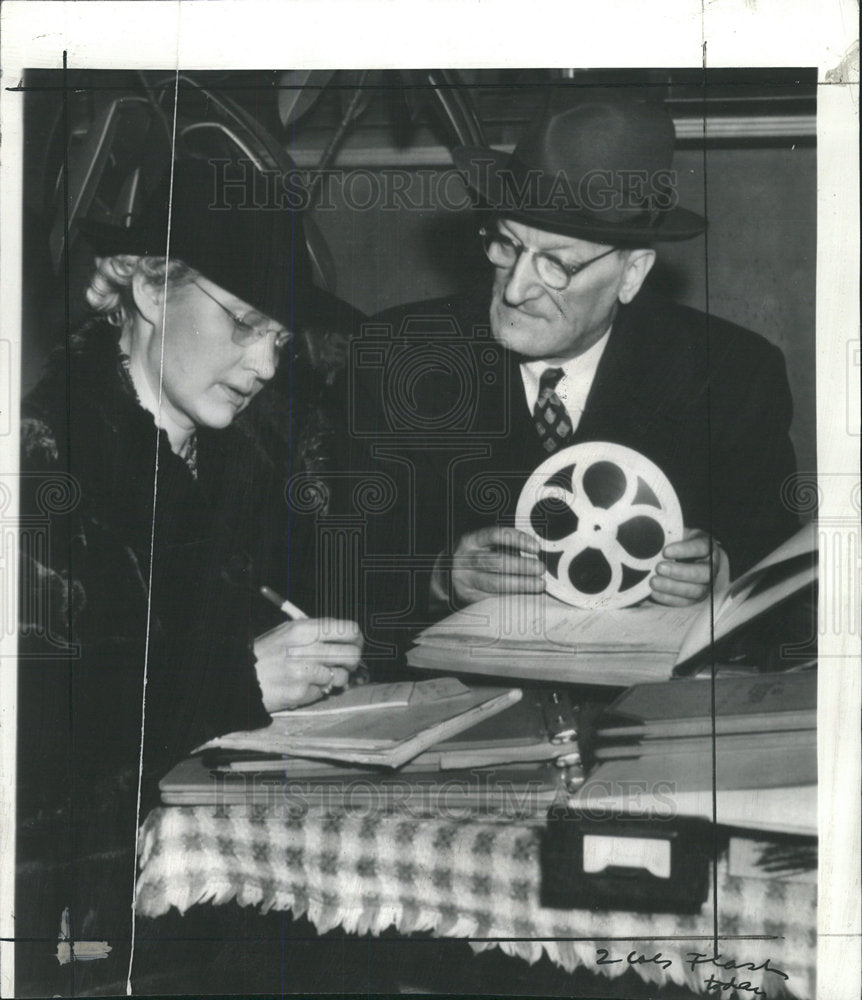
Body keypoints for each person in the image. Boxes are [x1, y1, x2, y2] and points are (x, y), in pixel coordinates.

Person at [16, 157, 362, 992]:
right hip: (76, 916)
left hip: (229, 887)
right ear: (146, 290)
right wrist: (239, 680)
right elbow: (36, 729)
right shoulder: (45, 457)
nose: (268, 363)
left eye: (280, 337)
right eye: (245, 322)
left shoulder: (246, 453)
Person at [347, 98, 798, 639]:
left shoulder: (730, 374)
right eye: (507, 246)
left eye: (557, 264)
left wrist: (719, 575)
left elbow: (781, 576)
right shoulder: (397, 355)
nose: (515, 289)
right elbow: (328, 568)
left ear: (631, 274)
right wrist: (442, 577)